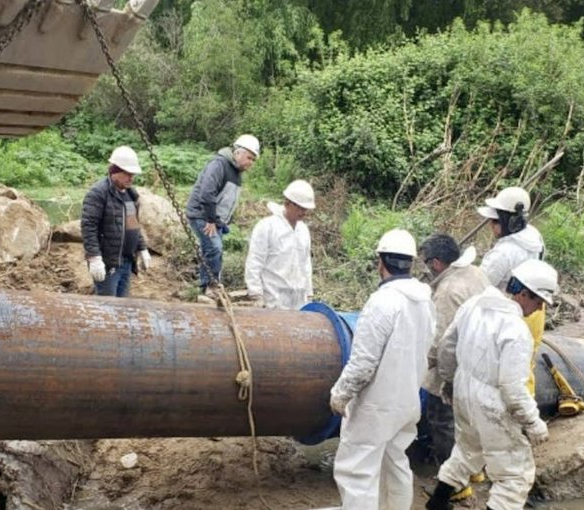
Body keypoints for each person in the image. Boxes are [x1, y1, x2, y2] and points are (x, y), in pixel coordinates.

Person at [427, 259, 558, 510]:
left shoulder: (474, 305)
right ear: (522, 293)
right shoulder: (517, 331)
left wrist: (450, 381)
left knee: (466, 450)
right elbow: (512, 389)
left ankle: (437, 503)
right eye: (538, 301)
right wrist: (533, 423)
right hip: (493, 405)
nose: (539, 308)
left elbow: (447, 346)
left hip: (464, 393)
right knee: (513, 476)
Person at [329, 229, 436, 509]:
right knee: (395, 463)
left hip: (376, 406)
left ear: (381, 262)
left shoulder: (382, 302)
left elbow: (363, 361)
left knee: (357, 470)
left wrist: (341, 393)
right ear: (410, 263)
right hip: (407, 402)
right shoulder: (425, 302)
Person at [419, 235, 490, 468]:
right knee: (468, 421)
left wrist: (420, 366)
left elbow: (440, 342)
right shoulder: (475, 273)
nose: (427, 268)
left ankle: (449, 476)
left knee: (442, 421)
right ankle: (474, 467)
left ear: (437, 262)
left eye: (427, 263)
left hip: (454, 366)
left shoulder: (448, 291)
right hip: (480, 359)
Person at [477, 186, 546, 396]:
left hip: (510, 313)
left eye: (495, 221)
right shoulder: (534, 238)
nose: (491, 225)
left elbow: (480, 284)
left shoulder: (505, 252)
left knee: (501, 364)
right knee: (525, 365)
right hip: (536, 312)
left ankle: (512, 409)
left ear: (510, 221)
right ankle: (527, 404)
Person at [186, 134, 260, 300]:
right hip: (202, 214)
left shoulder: (236, 172)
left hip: (215, 218)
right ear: (238, 153)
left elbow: (227, 199)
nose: (250, 163)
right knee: (214, 248)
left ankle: (211, 285)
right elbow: (207, 193)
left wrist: (223, 221)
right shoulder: (219, 164)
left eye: (253, 160)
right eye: (249, 158)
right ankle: (210, 287)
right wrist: (211, 219)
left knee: (214, 250)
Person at [80, 146, 151, 297]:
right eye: (127, 174)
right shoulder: (98, 194)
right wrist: (94, 257)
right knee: (107, 308)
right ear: (114, 171)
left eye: (133, 174)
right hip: (107, 263)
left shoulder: (130, 195)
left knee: (122, 307)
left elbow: (133, 226)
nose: (131, 178)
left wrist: (142, 248)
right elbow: (89, 227)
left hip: (125, 262)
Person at [243, 179, 315, 310]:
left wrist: (309, 294)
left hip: (298, 299)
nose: (303, 212)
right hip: (273, 298)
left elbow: (306, 264)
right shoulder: (267, 227)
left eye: (305, 209)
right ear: (288, 203)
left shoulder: (303, 230)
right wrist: (256, 294)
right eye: (300, 207)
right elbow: (255, 261)